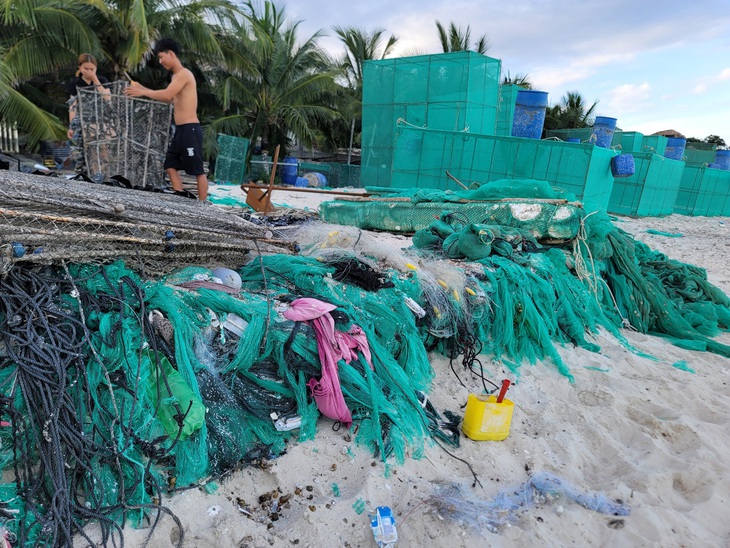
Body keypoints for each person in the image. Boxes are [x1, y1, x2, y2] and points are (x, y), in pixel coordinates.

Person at [123, 38, 208, 200]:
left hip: (190, 129)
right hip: (181, 130)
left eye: (162, 57)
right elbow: (170, 99)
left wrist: (142, 92)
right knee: (170, 165)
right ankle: (180, 199)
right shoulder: (175, 77)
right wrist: (141, 88)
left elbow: (167, 94)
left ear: (171, 54)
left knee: (197, 169)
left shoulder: (184, 74)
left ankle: (203, 206)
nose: (160, 61)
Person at [66, 54, 110, 176]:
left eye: (92, 69)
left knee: (102, 150)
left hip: (101, 121)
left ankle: (102, 174)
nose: (89, 71)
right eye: (86, 69)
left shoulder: (102, 81)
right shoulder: (75, 83)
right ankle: (83, 174)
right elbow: (72, 105)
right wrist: (72, 126)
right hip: (83, 122)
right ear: (80, 68)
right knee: (83, 151)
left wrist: (95, 80)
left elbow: (107, 98)